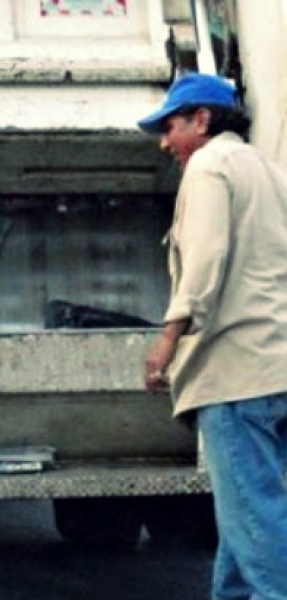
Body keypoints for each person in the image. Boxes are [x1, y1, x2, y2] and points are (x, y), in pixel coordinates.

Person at [140, 72, 287, 600]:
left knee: (258, 527)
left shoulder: (208, 166)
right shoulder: (266, 169)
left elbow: (204, 261)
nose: (165, 142)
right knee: (245, 525)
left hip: (234, 374)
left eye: (172, 126)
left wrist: (167, 342)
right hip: (276, 367)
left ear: (202, 120)